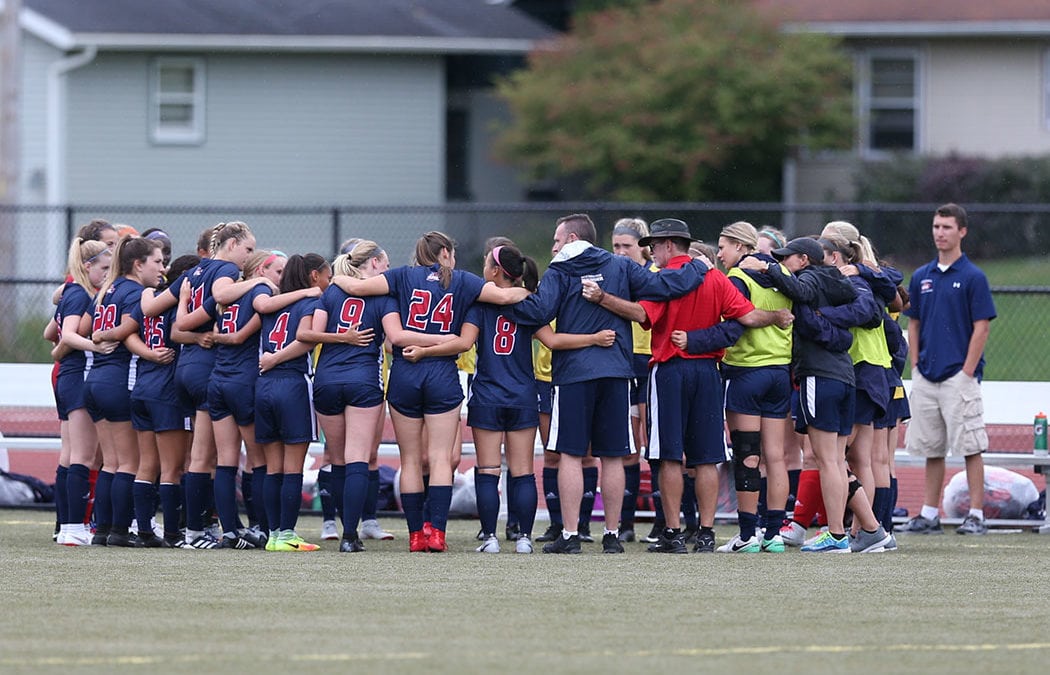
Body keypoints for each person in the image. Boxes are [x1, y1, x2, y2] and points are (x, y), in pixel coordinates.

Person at [584, 219, 789, 554]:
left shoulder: (662, 281)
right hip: (709, 371)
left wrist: (602, 297)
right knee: (707, 457)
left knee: (668, 456)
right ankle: (706, 533)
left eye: (653, 246)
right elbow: (749, 317)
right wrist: (777, 316)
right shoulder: (715, 278)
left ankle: (674, 533)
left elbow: (639, 314)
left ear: (667, 245)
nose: (651, 253)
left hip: (669, 370)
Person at [507, 214, 708, 554]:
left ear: (571, 238)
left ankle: (570, 535)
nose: (553, 247)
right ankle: (612, 535)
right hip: (617, 371)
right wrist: (698, 269)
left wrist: (502, 296)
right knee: (613, 456)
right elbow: (664, 286)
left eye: (557, 240)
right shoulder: (619, 265)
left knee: (570, 454)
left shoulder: (559, 270)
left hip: (574, 374)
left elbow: (538, 312)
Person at [331, 231, 529, 552]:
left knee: (410, 460)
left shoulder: (400, 277)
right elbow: (506, 297)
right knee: (439, 458)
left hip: (406, 373)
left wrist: (332, 280)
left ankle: (414, 536)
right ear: (446, 253)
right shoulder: (463, 280)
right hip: (442, 373)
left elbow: (355, 286)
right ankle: (436, 534)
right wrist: (536, 291)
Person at [739, 237, 892, 553]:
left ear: (804, 260)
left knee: (827, 461)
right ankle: (873, 530)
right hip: (845, 377)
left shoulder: (806, 282)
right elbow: (852, 312)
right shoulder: (837, 280)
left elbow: (806, 309)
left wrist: (766, 267)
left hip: (819, 376)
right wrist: (840, 335)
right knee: (837, 460)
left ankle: (836, 535)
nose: (784, 264)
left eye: (788, 259)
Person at [902, 203, 996, 536]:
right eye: (936, 226)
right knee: (931, 448)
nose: (940, 233)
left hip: (959, 377)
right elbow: (913, 323)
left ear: (962, 231)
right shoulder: (922, 276)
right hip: (927, 375)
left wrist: (966, 371)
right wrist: (916, 364)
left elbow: (981, 326)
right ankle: (929, 513)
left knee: (970, 446)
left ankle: (976, 514)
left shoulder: (973, 277)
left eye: (947, 227)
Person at [297, 243, 395, 552]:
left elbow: (309, 334)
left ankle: (335, 524)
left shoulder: (332, 293)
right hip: (363, 380)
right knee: (357, 460)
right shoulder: (383, 296)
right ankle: (350, 535)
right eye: (386, 264)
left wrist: (339, 338)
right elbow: (395, 341)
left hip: (326, 380)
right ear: (374, 263)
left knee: (335, 460)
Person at [83, 236, 167, 546]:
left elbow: (83, 329)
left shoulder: (108, 289)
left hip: (94, 380)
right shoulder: (136, 291)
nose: (162, 268)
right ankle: (119, 530)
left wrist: (99, 334)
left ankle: (103, 530)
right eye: (156, 262)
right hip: (118, 379)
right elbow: (126, 329)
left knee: (111, 463)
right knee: (128, 463)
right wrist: (108, 333)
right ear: (138, 264)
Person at [124, 254, 200, 547]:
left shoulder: (151, 299)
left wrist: (147, 353)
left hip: (142, 388)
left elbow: (129, 332)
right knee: (172, 468)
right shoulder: (176, 306)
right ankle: (171, 533)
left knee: (147, 465)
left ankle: (144, 529)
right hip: (166, 392)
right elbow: (178, 331)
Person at [256, 254, 330, 552]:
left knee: (273, 468)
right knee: (292, 468)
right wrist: (277, 358)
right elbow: (305, 340)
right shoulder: (310, 302)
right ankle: (286, 533)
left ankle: (274, 534)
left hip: (263, 385)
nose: (327, 282)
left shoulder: (272, 303)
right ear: (313, 277)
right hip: (292, 383)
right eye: (325, 275)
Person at [46, 238, 116, 546]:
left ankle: (68, 526)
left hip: (69, 376)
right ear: (87, 267)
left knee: (74, 456)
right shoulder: (78, 293)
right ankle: (74, 526)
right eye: (103, 268)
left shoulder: (71, 293)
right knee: (84, 457)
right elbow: (71, 334)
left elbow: (52, 333)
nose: (107, 273)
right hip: (78, 377)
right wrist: (95, 345)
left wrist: (61, 346)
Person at [610, 218, 654, 542]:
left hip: (652, 361)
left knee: (654, 443)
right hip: (624, 362)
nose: (621, 252)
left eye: (627, 246)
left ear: (643, 247)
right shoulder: (612, 274)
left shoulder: (654, 276)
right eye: (616, 247)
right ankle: (625, 524)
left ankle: (668, 521)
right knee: (627, 446)